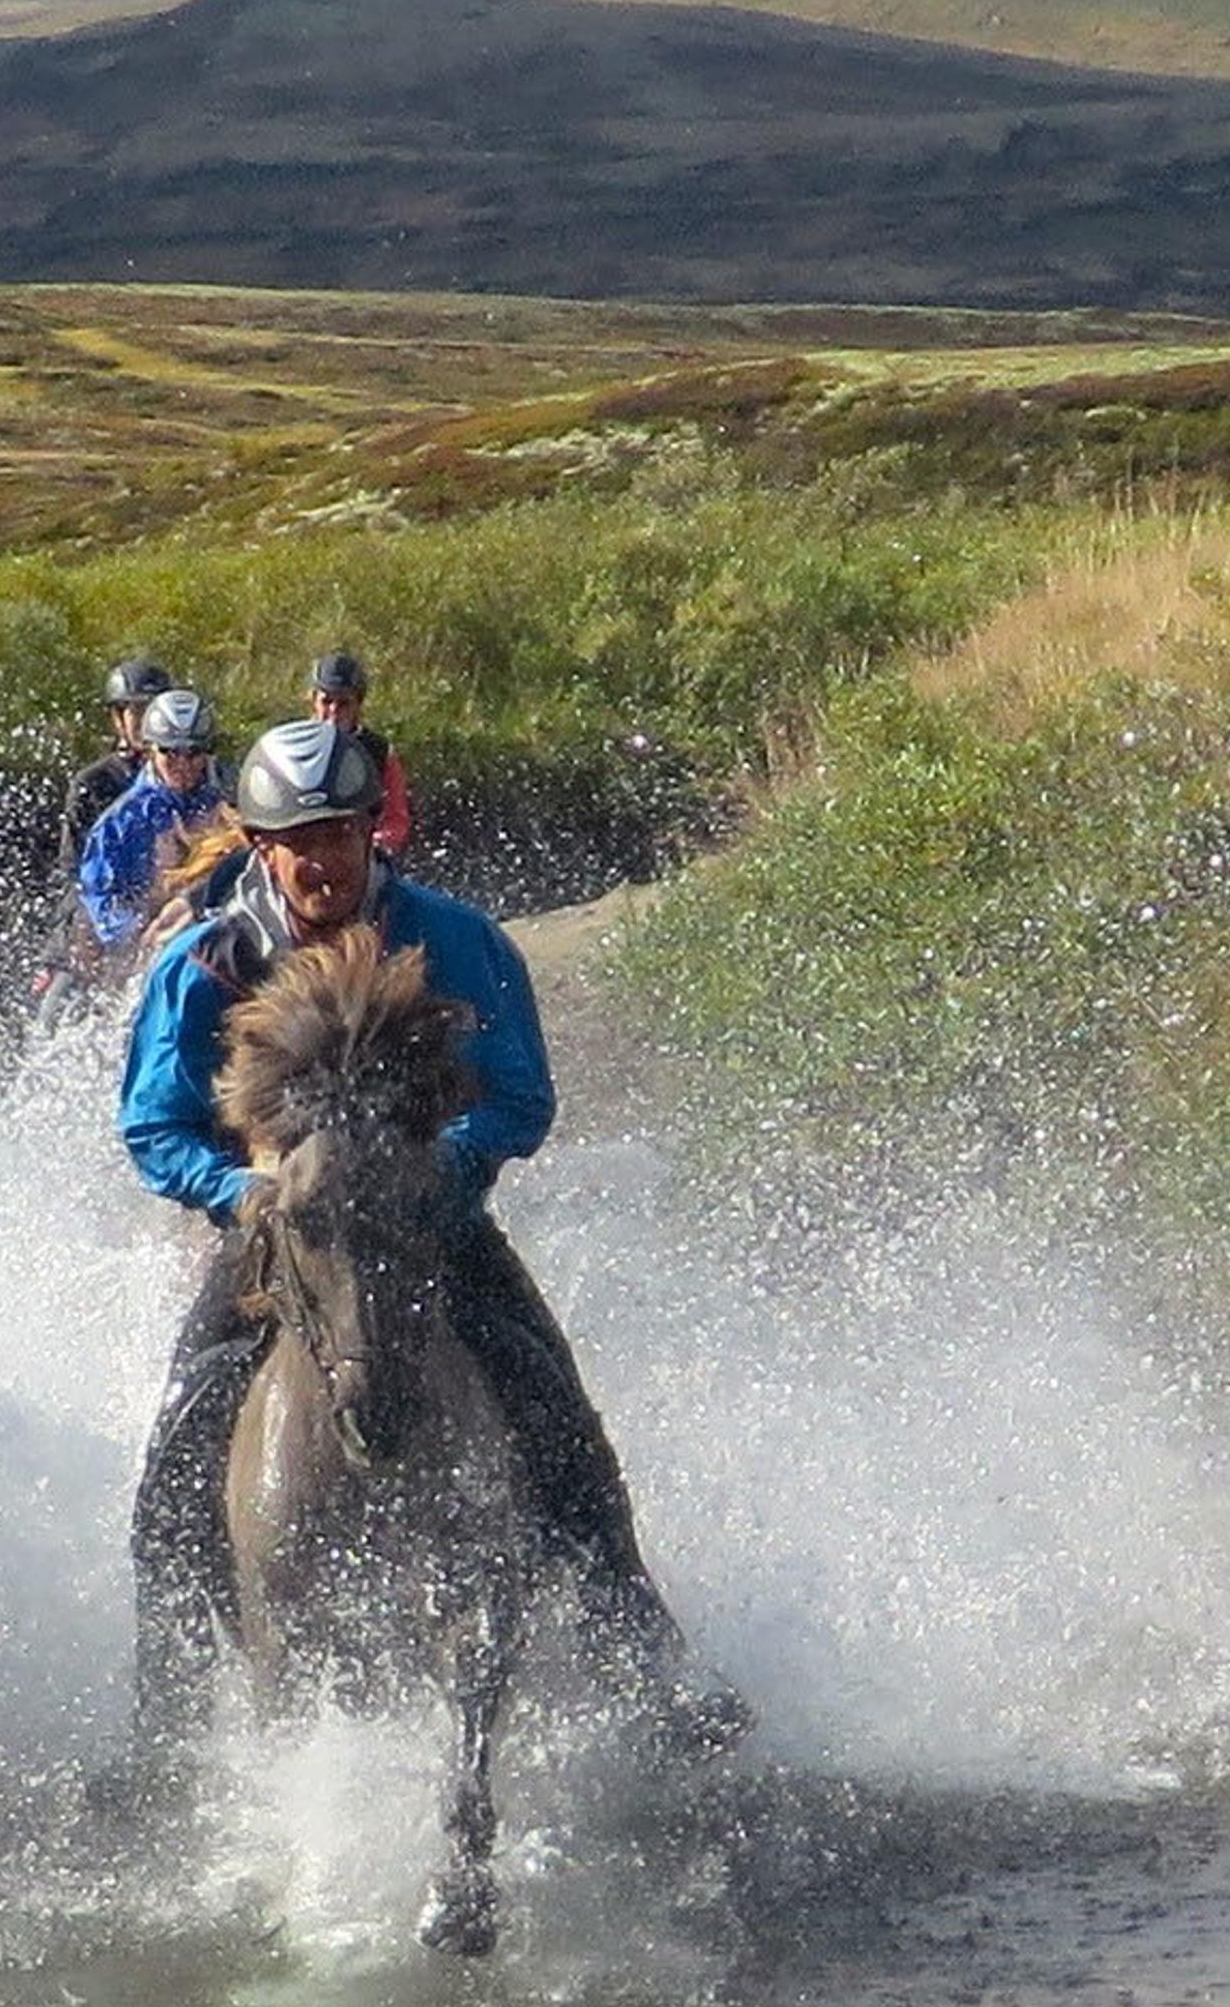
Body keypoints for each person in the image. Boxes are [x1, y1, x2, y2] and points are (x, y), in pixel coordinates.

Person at [116, 718, 740, 1781]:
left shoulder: (454, 938)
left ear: (372, 832)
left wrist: (441, 1169)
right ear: (263, 847)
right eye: (298, 839)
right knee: (183, 1430)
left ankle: (640, 1648)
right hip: (282, 1232)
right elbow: (154, 1123)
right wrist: (245, 1192)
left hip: (433, 1217)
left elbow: (521, 1095)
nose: (321, 859)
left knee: (547, 1396)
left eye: (339, 834)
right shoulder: (207, 963)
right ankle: (166, 1704)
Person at [76, 687, 227, 960]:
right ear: (149, 751)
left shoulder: (229, 806)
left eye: (194, 752)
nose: (183, 764)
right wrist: (139, 934)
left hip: (217, 940)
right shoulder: (118, 822)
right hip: (144, 951)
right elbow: (99, 896)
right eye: (170, 752)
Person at [59, 658, 177, 879]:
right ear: (118, 718)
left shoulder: (191, 773)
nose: (149, 722)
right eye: (139, 711)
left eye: (156, 711)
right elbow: (73, 869)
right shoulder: (93, 783)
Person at [306, 651, 415, 857]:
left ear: (359, 705)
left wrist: (377, 845)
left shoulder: (379, 752)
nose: (334, 712)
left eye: (344, 703)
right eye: (326, 701)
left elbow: (396, 819)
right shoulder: (290, 745)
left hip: (358, 855)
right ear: (313, 700)